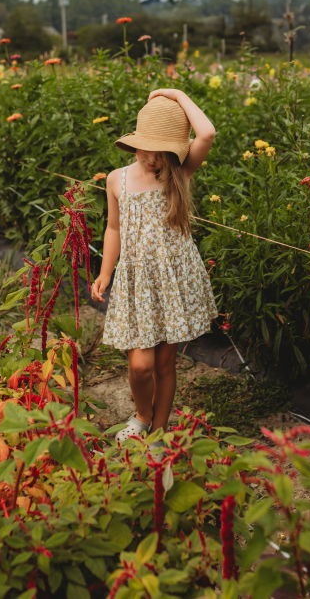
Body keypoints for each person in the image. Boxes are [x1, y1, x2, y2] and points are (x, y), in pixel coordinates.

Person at [91, 88, 218, 445]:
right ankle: (143, 415)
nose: (154, 159)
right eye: (148, 149)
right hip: (137, 281)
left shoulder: (177, 173)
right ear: (136, 142)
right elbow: (113, 227)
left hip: (173, 278)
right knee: (140, 366)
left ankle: (158, 434)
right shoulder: (118, 179)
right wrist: (105, 272)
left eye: (163, 151)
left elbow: (206, 133)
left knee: (164, 365)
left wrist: (178, 95)